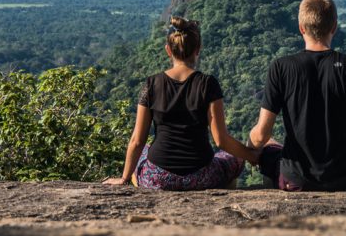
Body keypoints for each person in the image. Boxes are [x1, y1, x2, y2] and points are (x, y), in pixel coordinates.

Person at [248, 0, 346, 191]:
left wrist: (250, 139)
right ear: (334, 27)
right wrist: (340, 150)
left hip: (295, 179)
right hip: (344, 175)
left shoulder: (281, 67)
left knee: (265, 142)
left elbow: (261, 136)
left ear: (301, 28)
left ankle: (275, 183)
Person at [104, 16, 259, 190]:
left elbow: (137, 141)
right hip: (201, 176)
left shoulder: (151, 84)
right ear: (197, 50)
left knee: (144, 150)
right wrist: (252, 156)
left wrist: (124, 178)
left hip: (158, 178)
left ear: (168, 50)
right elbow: (221, 140)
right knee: (234, 159)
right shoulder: (208, 84)